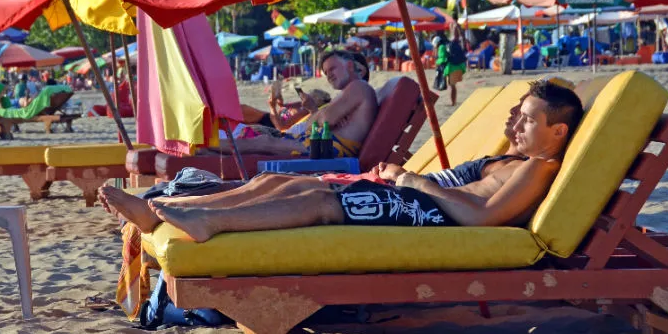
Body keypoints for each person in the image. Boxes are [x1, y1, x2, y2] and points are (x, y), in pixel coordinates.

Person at [99, 80, 583, 242]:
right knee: (277, 182)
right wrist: (402, 177)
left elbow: (481, 218)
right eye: (518, 117)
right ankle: (180, 209)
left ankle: (208, 221)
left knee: (316, 199)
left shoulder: (538, 169)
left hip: (430, 214)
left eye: (529, 120)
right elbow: (477, 183)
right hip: (412, 197)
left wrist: (417, 181)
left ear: (558, 132)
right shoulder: (512, 156)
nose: (517, 125)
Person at [222, 49, 378, 159]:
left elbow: (320, 121)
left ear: (350, 66)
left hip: (329, 150)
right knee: (260, 141)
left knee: (264, 142)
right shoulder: (350, 93)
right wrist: (325, 118)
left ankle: (205, 147)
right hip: (324, 145)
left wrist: (324, 118)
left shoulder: (359, 87)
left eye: (333, 69)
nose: (329, 75)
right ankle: (208, 150)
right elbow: (321, 120)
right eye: (326, 72)